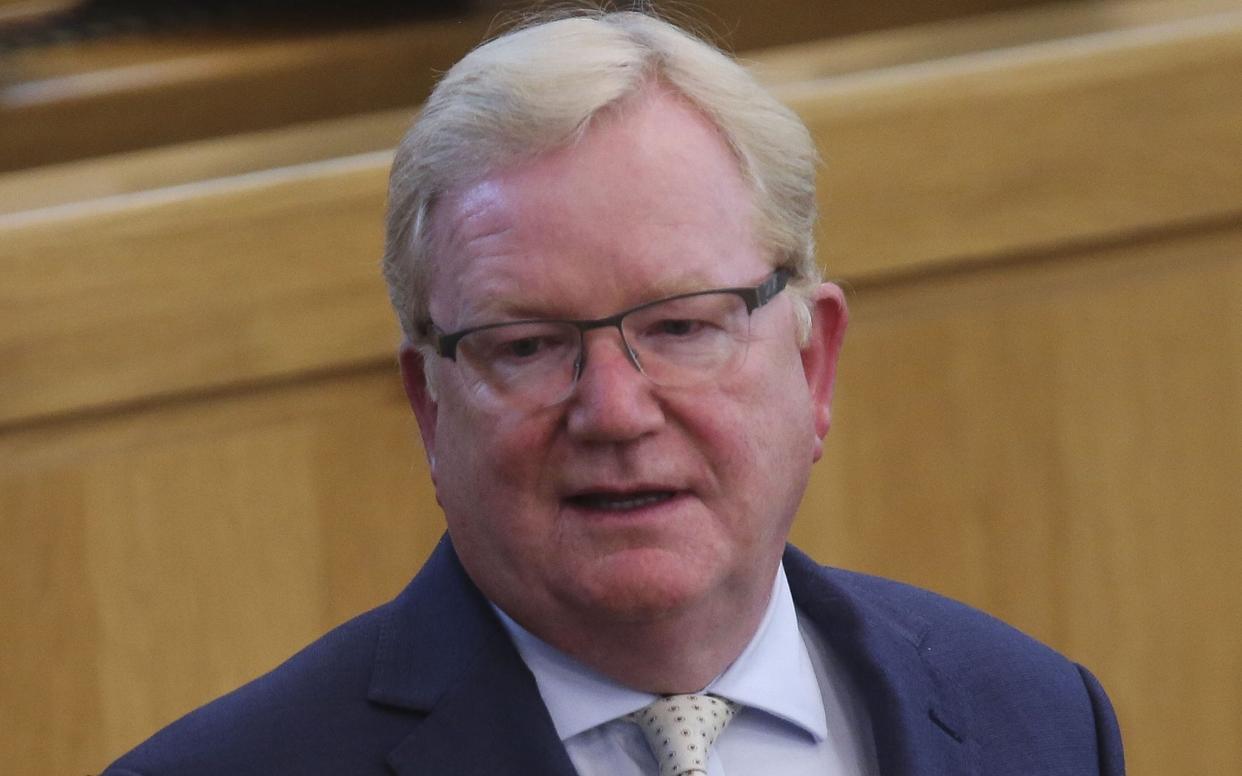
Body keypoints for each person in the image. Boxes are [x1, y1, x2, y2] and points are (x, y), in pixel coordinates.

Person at [104, 10, 1124, 776]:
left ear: (814, 366)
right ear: (430, 405)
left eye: (682, 326)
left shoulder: (1037, 719)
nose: (615, 412)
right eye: (529, 344)